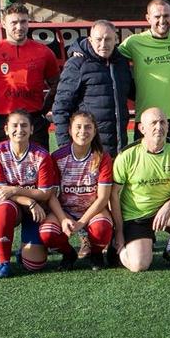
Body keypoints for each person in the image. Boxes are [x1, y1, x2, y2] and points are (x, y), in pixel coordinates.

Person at [112, 107, 170, 273]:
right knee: (139, 266)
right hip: (136, 217)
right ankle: (119, 249)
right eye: (154, 123)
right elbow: (113, 195)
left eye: (163, 122)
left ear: (168, 126)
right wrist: (119, 233)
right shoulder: (127, 155)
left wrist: (168, 206)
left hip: (165, 213)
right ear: (142, 128)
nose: (159, 127)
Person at [43, 111, 116, 271]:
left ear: (95, 130)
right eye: (78, 127)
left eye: (88, 127)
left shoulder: (102, 158)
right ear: (69, 130)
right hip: (65, 211)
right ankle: (68, 254)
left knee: (102, 228)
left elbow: (103, 198)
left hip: (93, 210)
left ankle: (96, 253)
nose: (83, 131)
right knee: (47, 233)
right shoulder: (57, 157)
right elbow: (51, 195)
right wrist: (62, 219)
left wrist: (82, 222)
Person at [0, 4, 61, 149]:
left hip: (34, 120)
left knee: (38, 167)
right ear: (4, 24)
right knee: (3, 168)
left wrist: (44, 108)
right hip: (2, 120)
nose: (19, 27)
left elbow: (57, 84)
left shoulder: (44, 52)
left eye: (23, 22)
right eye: (14, 22)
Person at [0, 111, 56, 278]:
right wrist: (28, 200)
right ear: (6, 129)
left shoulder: (41, 155)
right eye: (15, 125)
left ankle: (23, 251)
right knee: (3, 208)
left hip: (36, 208)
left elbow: (46, 193)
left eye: (24, 125)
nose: (20, 129)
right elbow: (0, 191)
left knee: (34, 264)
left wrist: (16, 190)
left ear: (32, 129)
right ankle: (3, 262)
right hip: (16, 203)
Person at [52, 20, 134, 157]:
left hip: (118, 148)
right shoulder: (77, 64)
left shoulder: (121, 63)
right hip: (87, 149)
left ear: (116, 39)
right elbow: (61, 108)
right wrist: (66, 148)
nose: (103, 44)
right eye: (98, 39)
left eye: (108, 39)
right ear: (90, 40)